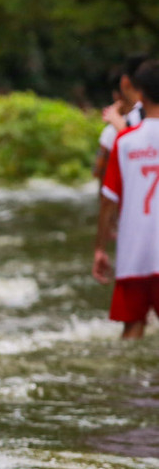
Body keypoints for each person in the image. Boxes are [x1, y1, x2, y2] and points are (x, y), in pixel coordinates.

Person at [93, 59, 159, 339]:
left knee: (132, 328)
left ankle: (128, 384)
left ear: (139, 93)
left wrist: (100, 247)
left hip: (134, 254)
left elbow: (108, 199)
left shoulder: (124, 141)